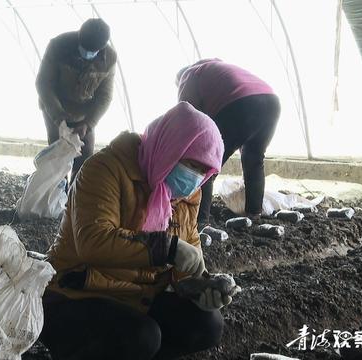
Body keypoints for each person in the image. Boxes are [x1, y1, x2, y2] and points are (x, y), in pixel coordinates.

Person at [39, 102, 232, 360]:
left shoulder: (185, 194)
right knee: (141, 335)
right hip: (75, 292)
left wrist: (198, 290)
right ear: (169, 148)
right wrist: (168, 249)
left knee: (207, 324)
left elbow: (187, 256)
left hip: (138, 296)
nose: (195, 178)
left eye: (202, 171)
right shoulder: (105, 169)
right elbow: (93, 241)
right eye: (190, 164)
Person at [176, 58, 281, 224]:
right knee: (254, 158)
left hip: (240, 104)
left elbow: (186, 114)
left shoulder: (189, 75)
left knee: (206, 162)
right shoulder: (213, 69)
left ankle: (200, 220)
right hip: (271, 102)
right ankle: (254, 213)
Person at [35, 18, 117, 184]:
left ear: (101, 48)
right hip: (55, 109)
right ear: (79, 36)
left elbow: (105, 96)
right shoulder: (58, 46)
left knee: (85, 155)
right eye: (84, 48)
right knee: (57, 152)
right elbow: (43, 83)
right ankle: (57, 192)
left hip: (83, 114)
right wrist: (58, 117)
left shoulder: (109, 58)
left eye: (92, 51)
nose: (87, 53)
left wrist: (89, 123)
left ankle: (76, 196)